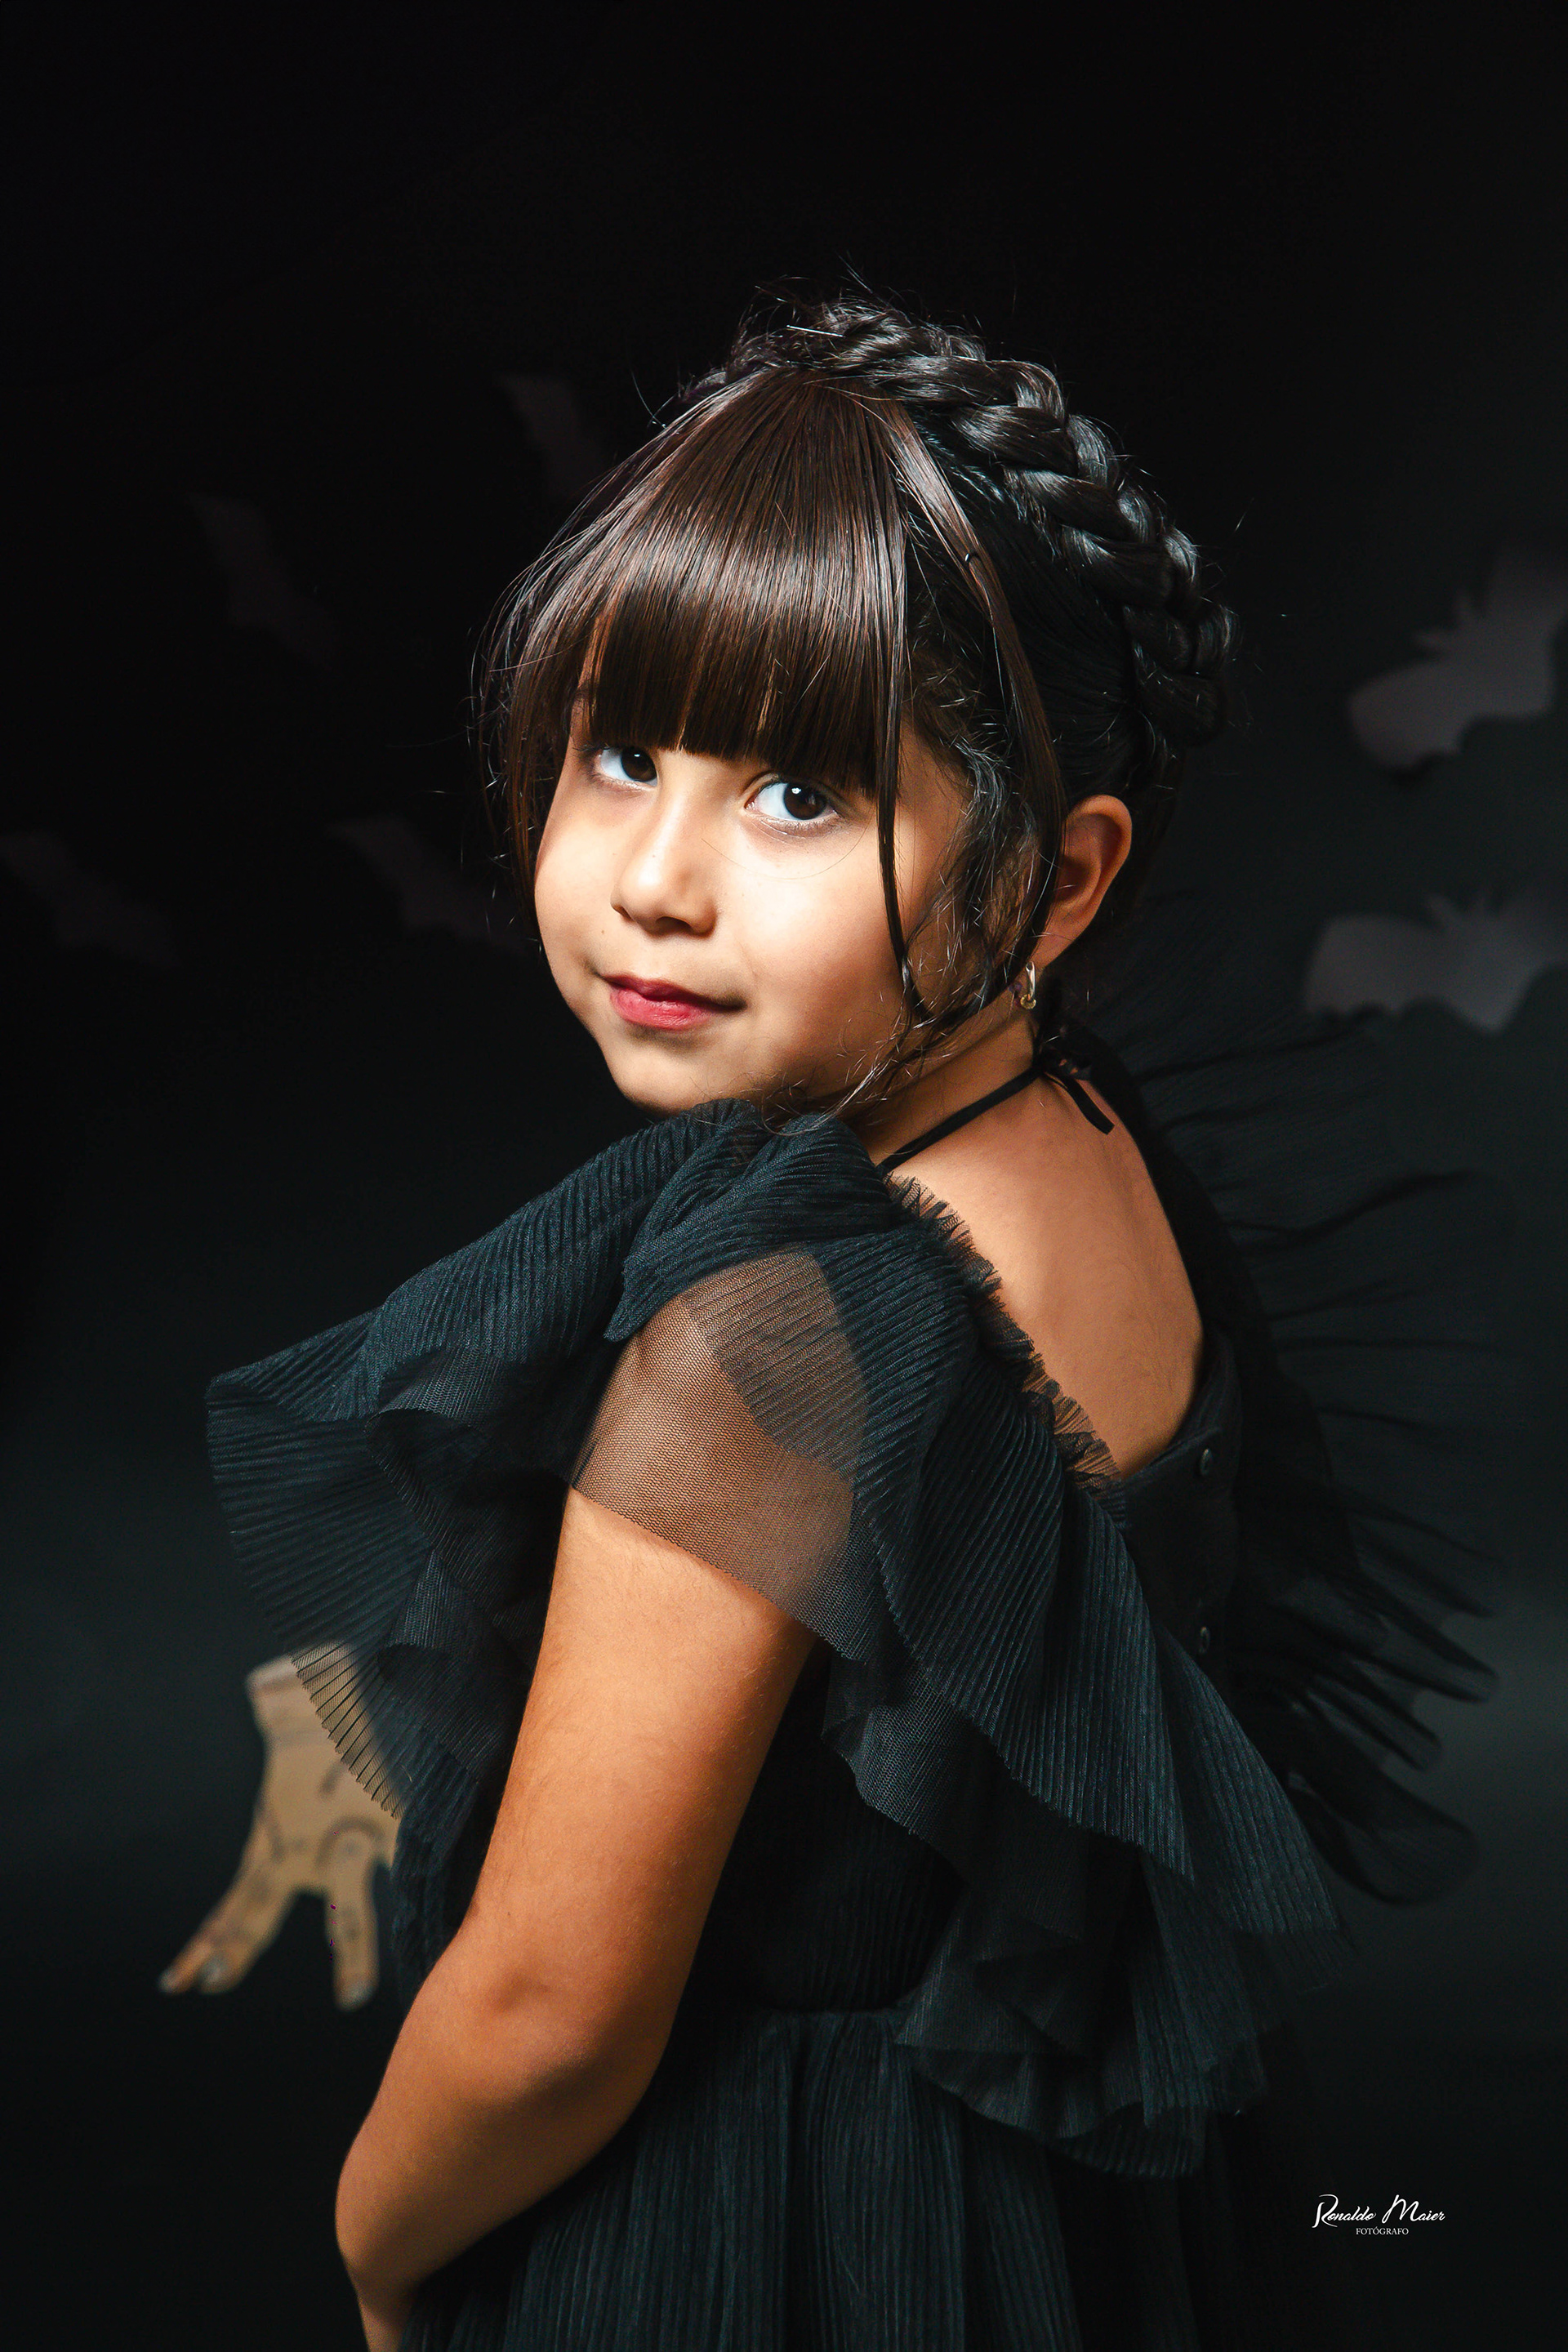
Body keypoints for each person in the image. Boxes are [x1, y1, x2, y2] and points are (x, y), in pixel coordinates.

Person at [203, 292, 1509, 2350]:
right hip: (1061, 2200)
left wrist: (380, 2249)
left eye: (801, 796)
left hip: (788, 2226)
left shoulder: (767, 1347)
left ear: (1054, 881)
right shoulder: (1076, 1129)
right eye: (622, 753)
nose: (657, 877)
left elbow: (549, 2011)